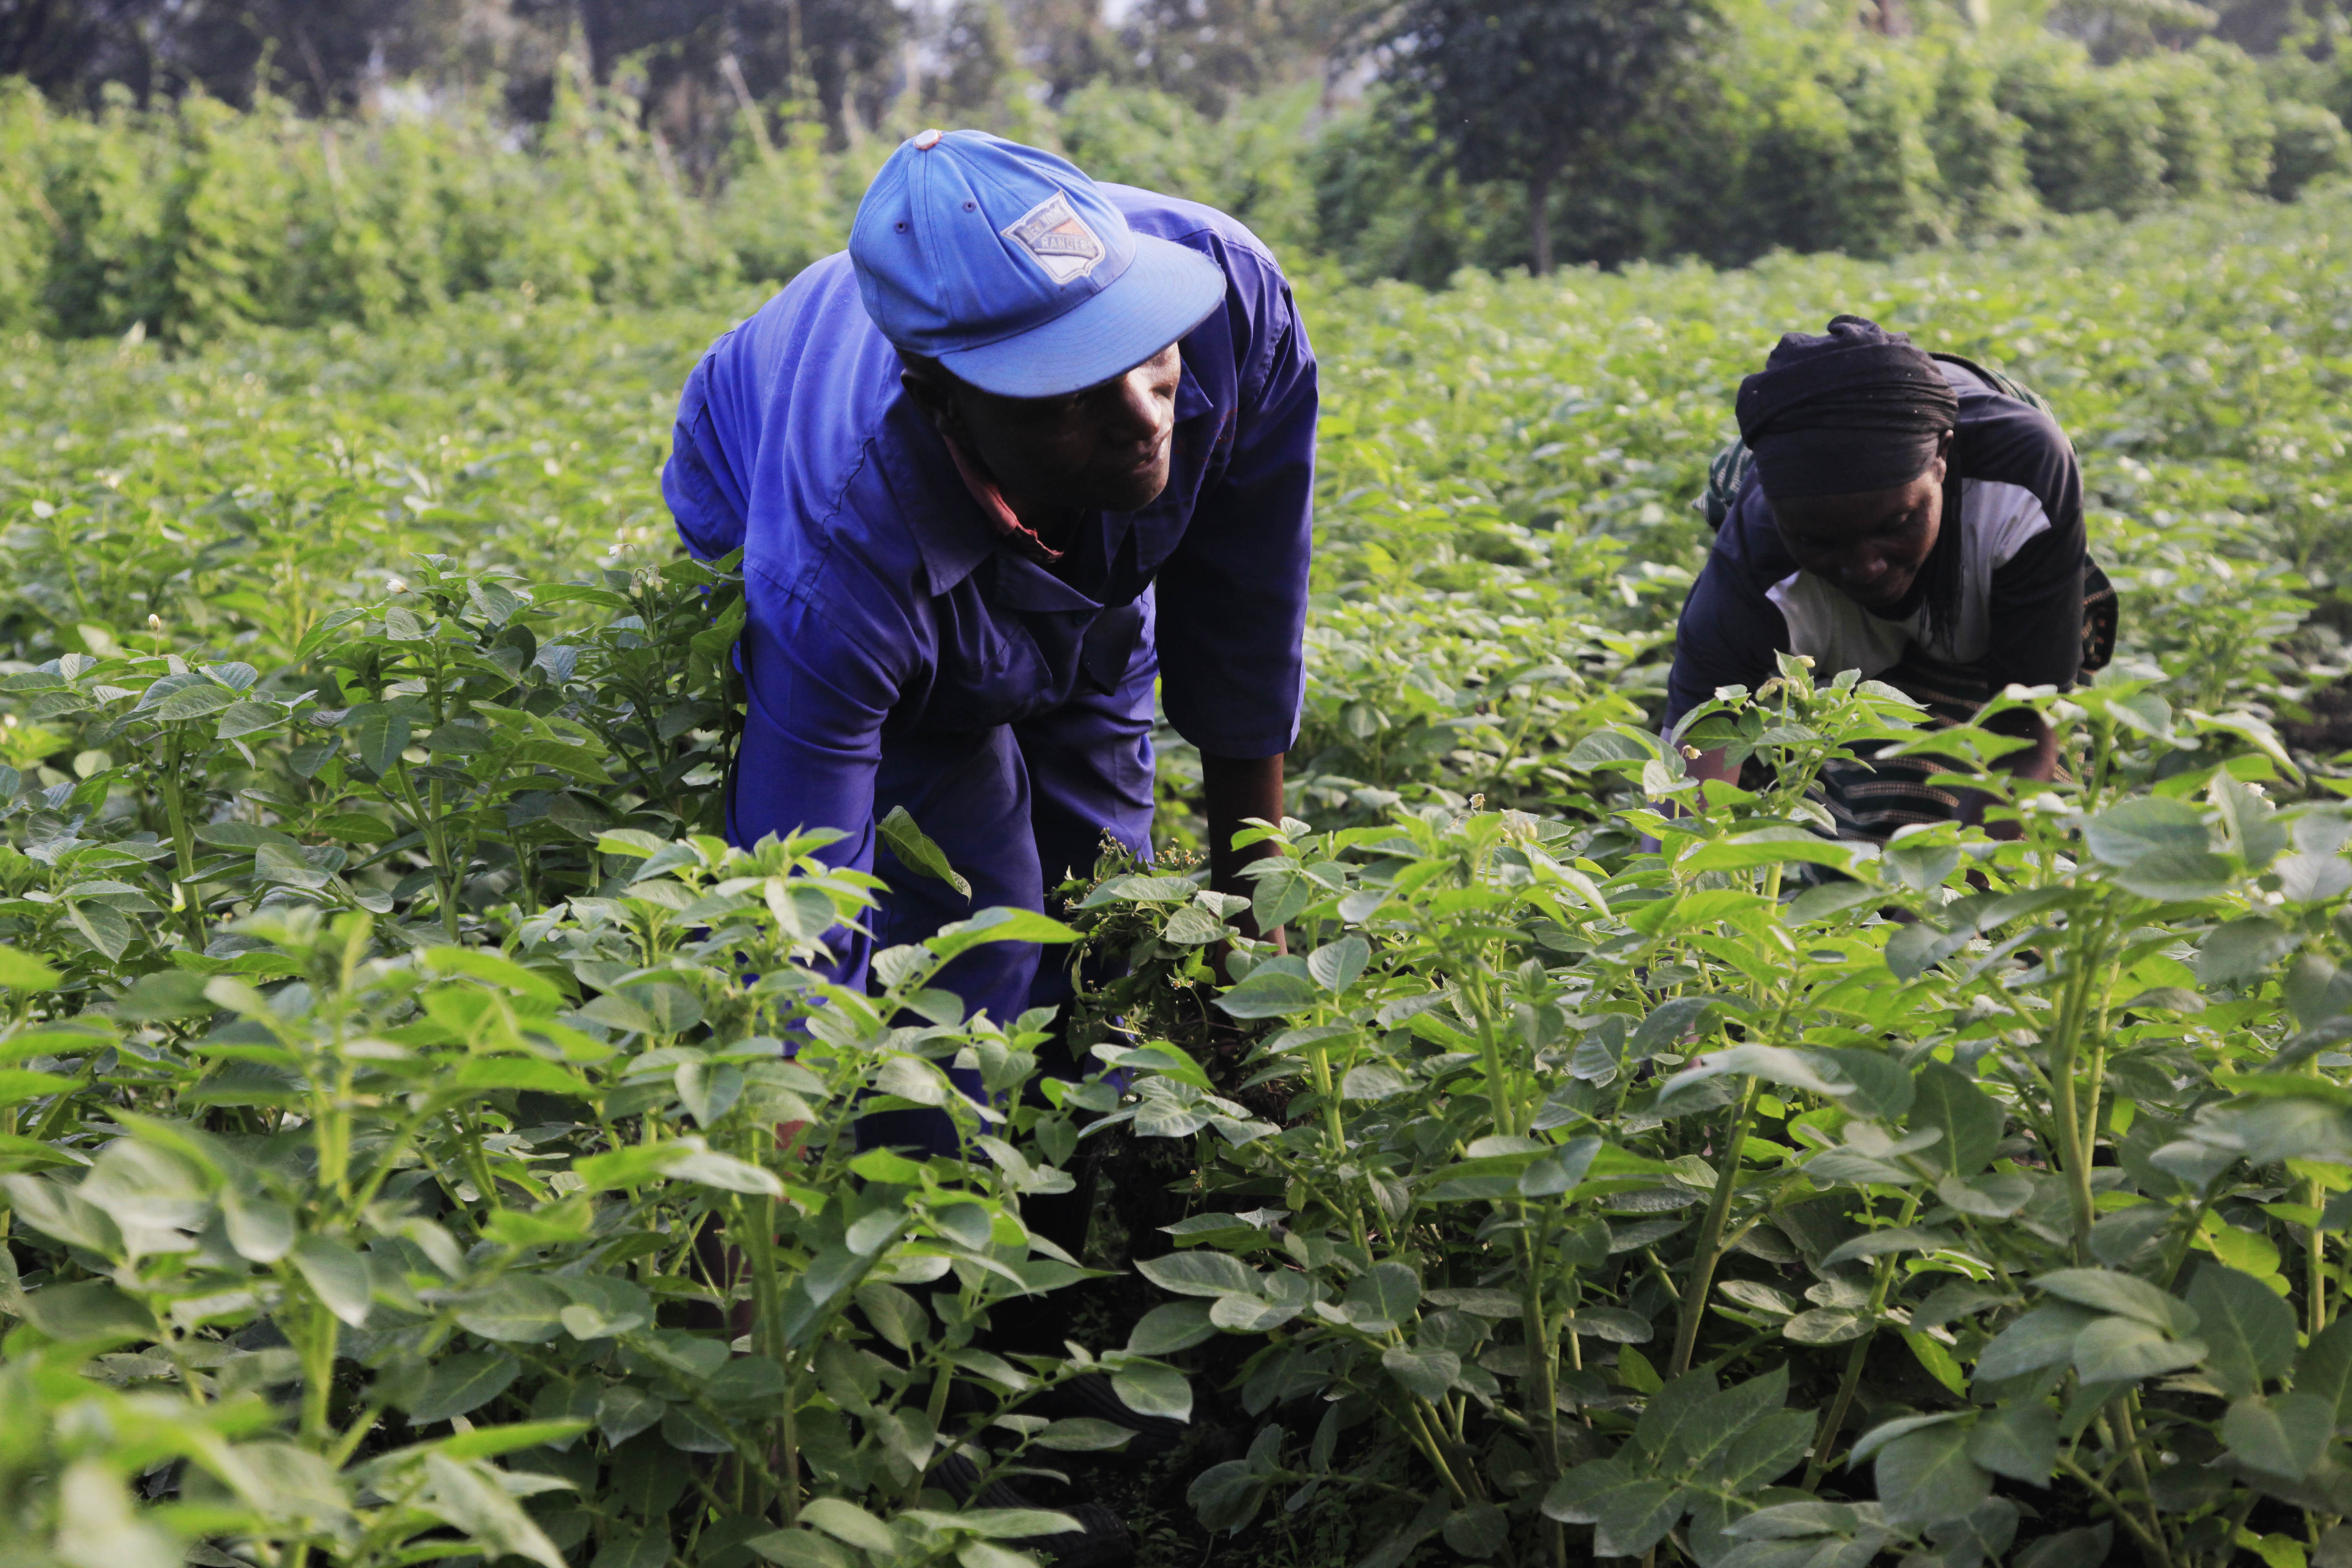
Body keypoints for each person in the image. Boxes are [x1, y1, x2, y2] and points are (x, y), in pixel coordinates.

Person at [660, 130, 1316, 1560]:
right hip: (793, 474)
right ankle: (929, 1331)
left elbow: (1240, 629)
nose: (1145, 410)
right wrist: (735, 1255)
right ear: (944, 397)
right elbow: (797, 901)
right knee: (970, 948)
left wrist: (1253, 914)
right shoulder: (840, 542)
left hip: (1073, 576)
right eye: (1070, 395)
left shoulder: (1227, 308)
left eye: (1142, 353)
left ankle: (1084, 1276)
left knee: (1108, 911)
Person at [1665, 315, 2114, 839]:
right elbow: (1691, 774)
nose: (1866, 567)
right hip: (1796, 576)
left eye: (1896, 525)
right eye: (1821, 541)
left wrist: (1950, 907)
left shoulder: (2023, 484)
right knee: (1791, 770)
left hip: (1991, 567)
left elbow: (2024, 728)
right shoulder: (1754, 556)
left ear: (1943, 457)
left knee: (1960, 794)